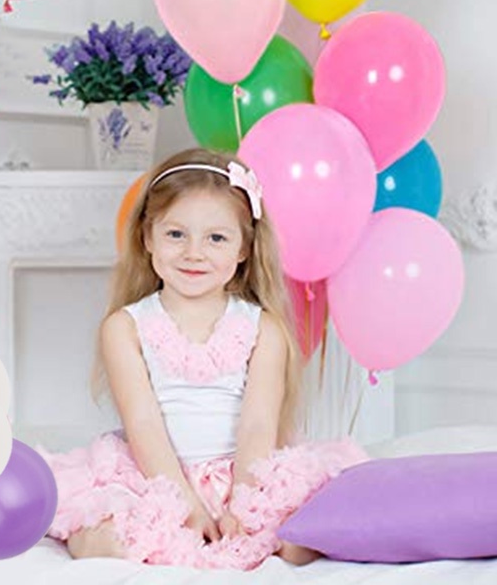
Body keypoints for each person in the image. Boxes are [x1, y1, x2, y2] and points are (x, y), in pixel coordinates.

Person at [39, 148, 367, 570]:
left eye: (217, 238)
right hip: (157, 473)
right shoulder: (126, 327)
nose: (194, 253)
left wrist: (245, 504)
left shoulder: (262, 328)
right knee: (105, 538)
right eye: (176, 234)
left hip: (243, 472)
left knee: (299, 540)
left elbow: (258, 424)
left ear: (244, 249)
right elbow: (143, 423)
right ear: (147, 238)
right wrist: (185, 502)